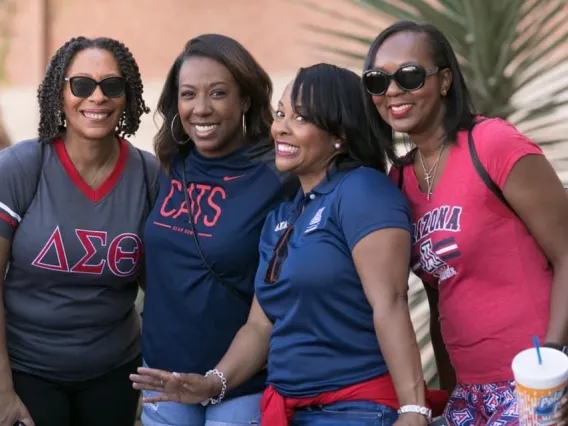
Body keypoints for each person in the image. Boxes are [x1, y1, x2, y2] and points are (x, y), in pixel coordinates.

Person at [132, 63, 446, 426]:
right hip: (292, 409)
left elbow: (390, 303)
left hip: (353, 408)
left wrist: (413, 409)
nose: (280, 126)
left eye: (300, 117)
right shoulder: (284, 214)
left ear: (339, 133)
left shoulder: (363, 192)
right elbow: (260, 326)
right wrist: (210, 384)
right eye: (281, 113)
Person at [360, 20, 568, 425]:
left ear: (444, 81)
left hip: (535, 381)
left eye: (409, 75)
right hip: (469, 395)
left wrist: (555, 365)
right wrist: (451, 391)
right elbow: (440, 298)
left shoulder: (492, 144)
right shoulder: (396, 183)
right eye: (377, 81)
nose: (393, 91)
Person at [138, 34, 297, 426]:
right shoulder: (170, 164)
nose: (201, 109)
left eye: (218, 93)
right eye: (188, 94)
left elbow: (285, 289)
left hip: (241, 384)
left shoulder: (278, 176)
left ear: (245, 99)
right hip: (164, 380)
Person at [0, 36, 159, 426]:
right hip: (27, 372)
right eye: (82, 85)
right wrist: (2, 392)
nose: (97, 97)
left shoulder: (149, 175)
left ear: (128, 96)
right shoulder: (21, 167)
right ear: (60, 92)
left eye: (112, 86)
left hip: (115, 372)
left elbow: (160, 287)